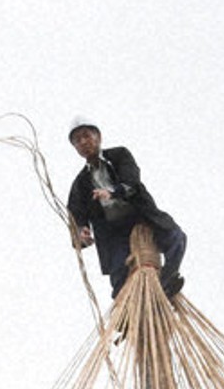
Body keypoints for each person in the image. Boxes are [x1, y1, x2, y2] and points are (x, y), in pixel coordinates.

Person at [66, 117, 187, 299]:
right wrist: (81, 231)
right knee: (119, 277)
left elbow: (132, 181)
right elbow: (75, 211)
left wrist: (113, 192)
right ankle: (127, 308)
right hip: (114, 231)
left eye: (86, 136)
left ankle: (166, 282)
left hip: (141, 217)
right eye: (77, 141)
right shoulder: (81, 182)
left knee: (176, 237)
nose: (83, 142)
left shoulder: (119, 155)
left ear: (98, 137)